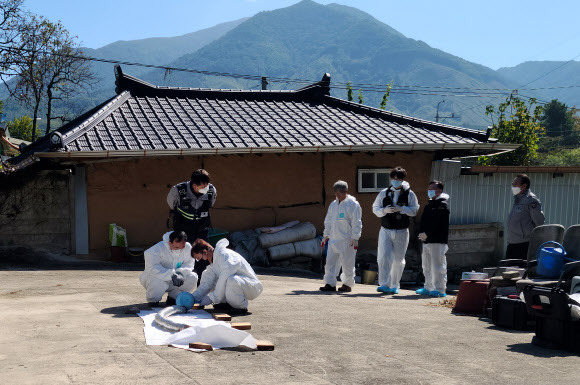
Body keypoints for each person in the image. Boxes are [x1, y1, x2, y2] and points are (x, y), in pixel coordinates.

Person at [372, 167, 419, 294]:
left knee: (398, 259)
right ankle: (384, 284)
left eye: (398, 179)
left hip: (402, 230)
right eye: (393, 179)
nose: (395, 181)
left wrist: (401, 209)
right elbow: (375, 208)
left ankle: (395, 285)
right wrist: (384, 210)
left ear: (403, 179)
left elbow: (414, 210)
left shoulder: (410, 194)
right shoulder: (384, 193)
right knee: (383, 256)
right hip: (386, 229)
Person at [167, 169, 217, 283]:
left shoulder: (211, 191)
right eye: (203, 186)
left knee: (204, 259)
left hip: (202, 229)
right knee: (182, 257)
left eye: (207, 185)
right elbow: (172, 205)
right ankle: (177, 287)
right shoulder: (178, 191)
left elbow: (211, 203)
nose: (206, 188)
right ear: (194, 185)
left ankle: (202, 287)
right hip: (182, 230)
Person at [190, 238, 263, 314]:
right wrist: (192, 298)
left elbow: (225, 276)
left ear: (204, 252)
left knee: (231, 280)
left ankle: (240, 306)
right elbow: (206, 284)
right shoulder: (214, 264)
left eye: (199, 258)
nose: (200, 260)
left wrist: (211, 298)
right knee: (213, 279)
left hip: (251, 286)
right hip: (240, 284)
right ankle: (227, 303)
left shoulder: (225, 255)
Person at [319, 180, 363, 292]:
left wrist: (355, 237)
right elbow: (328, 220)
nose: (337, 196)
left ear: (346, 191)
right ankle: (330, 284)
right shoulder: (333, 205)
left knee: (347, 264)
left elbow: (356, 222)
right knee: (330, 263)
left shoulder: (353, 205)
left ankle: (347, 285)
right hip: (333, 240)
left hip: (347, 240)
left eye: (339, 193)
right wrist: (326, 235)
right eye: (335, 193)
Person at [139, 231, 198, 306]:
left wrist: (180, 273)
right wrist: (172, 275)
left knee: (192, 277)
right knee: (157, 280)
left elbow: (189, 263)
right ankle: (153, 301)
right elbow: (152, 268)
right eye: (177, 247)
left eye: (182, 247)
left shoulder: (188, 247)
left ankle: (174, 298)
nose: (179, 249)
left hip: (175, 280)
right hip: (155, 280)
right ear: (169, 243)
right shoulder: (154, 250)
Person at [416, 180, 450, 297]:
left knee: (437, 265)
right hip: (427, 240)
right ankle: (428, 286)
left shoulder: (442, 205)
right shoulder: (429, 205)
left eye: (432, 189)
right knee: (426, 265)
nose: (429, 191)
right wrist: (421, 233)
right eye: (429, 189)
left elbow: (438, 223)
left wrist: (428, 233)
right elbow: (424, 222)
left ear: (439, 191)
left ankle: (440, 289)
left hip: (438, 240)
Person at [506, 174, 545, 260]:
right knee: (509, 270)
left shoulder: (531, 200)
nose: (513, 186)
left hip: (523, 244)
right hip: (512, 243)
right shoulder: (518, 199)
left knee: (521, 271)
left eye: (515, 184)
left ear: (524, 186)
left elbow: (539, 222)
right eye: (512, 184)